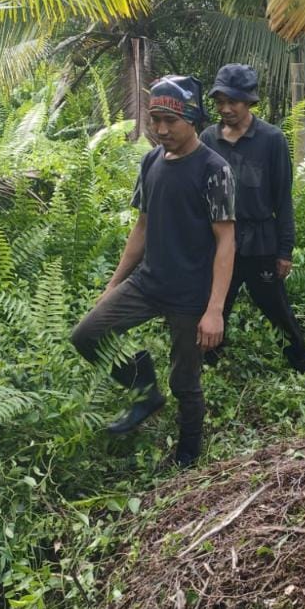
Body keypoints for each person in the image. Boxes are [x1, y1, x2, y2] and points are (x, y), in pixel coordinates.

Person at [70, 75, 236, 468]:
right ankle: (144, 387)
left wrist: (214, 309)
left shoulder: (214, 170)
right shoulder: (151, 161)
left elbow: (226, 241)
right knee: (86, 335)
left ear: (192, 119)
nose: (161, 130)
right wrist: (114, 284)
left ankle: (188, 453)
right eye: (155, 119)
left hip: (190, 294)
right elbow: (142, 227)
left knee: (185, 380)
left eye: (170, 121)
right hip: (148, 282)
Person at [199, 63, 305, 372]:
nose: (225, 108)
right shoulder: (208, 139)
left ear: (249, 101)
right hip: (220, 243)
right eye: (220, 102)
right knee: (215, 304)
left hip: (261, 242)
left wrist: (284, 250)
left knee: (276, 307)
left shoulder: (271, 139)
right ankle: (209, 363)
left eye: (232, 101)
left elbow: (282, 198)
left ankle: (300, 360)